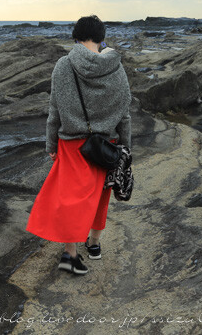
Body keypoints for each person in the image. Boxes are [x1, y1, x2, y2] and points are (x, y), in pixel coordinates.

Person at [26, 15, 132, 275]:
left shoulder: (63, 65)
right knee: (100, 197)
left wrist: (51, 144)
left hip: (72, 145)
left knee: (71, 199)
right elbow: (124, 114)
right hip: (106, 145)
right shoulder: (116, 67)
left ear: (76, 36)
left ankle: (70, 254)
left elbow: (54, 110)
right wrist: (126, 147)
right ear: (101, 37)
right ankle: (94, 244)